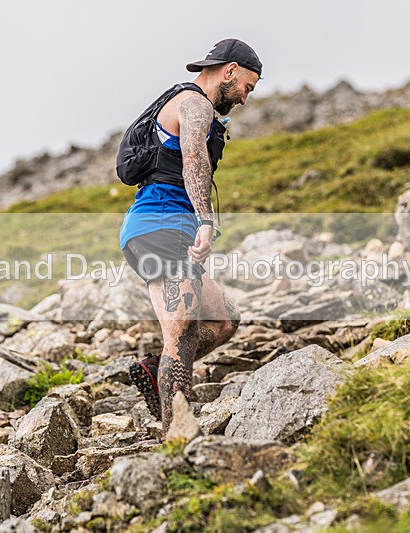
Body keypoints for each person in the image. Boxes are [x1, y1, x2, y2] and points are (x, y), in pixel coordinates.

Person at [118, 38, 262, 433]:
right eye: (247, 87)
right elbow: (194, 159)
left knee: (224, 319)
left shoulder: (196, 105)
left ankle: (155, 369)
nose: (245, 99)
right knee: (180, 334)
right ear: (230, 70)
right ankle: (176, 441)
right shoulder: (194, 103)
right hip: (158, 226)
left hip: (169, 228)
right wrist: (206, 220)